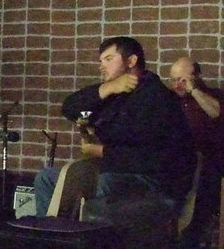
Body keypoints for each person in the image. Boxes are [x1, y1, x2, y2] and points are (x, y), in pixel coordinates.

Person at [34, 36, 196, 216]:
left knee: (105, 182)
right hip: (114, 170)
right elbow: (70, 108)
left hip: (154, 180)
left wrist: (102, 151)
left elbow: (155, 157)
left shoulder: (157, 98)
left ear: (131, 61)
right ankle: (51, 238)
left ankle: (91, 241)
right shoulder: (115, 91)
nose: (102, 66)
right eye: (101, 61)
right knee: (47, 178)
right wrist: (106, 89)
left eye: (109, 59)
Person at [167, 56, 224, 249]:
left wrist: (194, 90)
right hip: (176, 174)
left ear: (196, 75)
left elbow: (215, 112)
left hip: (209, 174)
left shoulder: (211, 96)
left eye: (183, 78)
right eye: (173, 79)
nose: (177, 84)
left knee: (194, 232)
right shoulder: (168, 103)